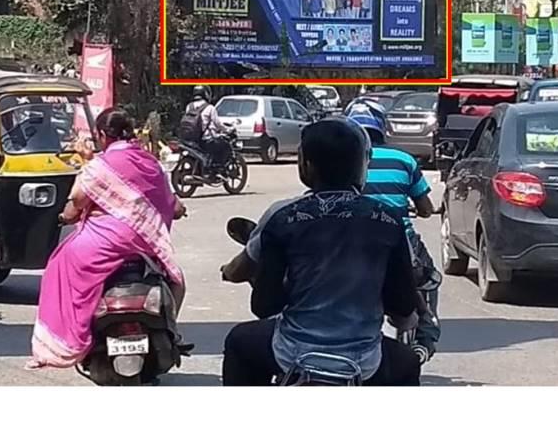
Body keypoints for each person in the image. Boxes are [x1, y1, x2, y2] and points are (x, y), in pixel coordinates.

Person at [220, 118, 421, 386]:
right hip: (364, 361)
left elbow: (264, 306)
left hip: (291, 354)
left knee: (239, 343)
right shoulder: (389, 220)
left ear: (306, 165)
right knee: (408, 363)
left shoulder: (283, 216)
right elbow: (403, 305)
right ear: (362, 165)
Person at [28, 108, 187, 369]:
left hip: (102, 244)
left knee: (57, 266)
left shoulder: (97, 168)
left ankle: (62, 344)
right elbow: (172, 203)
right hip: (145, 245)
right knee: (176, 280)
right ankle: (173, 334)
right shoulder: (152, 163)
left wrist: (65, 216)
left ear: (102, 135)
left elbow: (75, 206)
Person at [344, 99, 441, 364]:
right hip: (400, 239)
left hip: (350, 241)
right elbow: (425, 208)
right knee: (429, 279)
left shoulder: (343, 160)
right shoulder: (404, 160)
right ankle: (426, 335)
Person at [179, 85, 234, 176]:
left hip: (189, 139)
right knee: (225, 146)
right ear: (206, 94)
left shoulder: (189, 106)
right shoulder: (210, 108)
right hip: (204, 139)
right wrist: (228, 130)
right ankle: (217, 170)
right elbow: (218, 124)